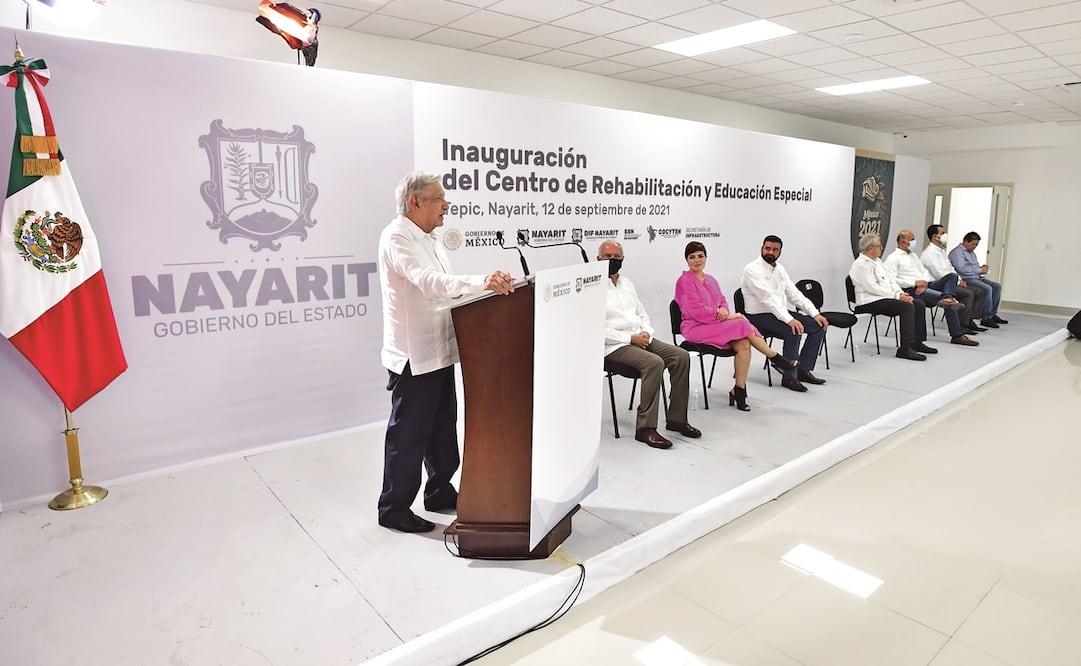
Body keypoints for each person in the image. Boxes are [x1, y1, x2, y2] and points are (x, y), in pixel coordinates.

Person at [377, 171, 516, 533]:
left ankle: (439, 491)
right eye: (439, 199)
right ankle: (393, 507)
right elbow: (431, 283)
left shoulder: (433, 238)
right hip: (413, 356)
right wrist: (480, 281)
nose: (446, 205)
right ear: (415, 202)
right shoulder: (397, 238)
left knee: (442, 429)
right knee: (408, 436)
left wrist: (481, 289)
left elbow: (447, 291)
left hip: (441, 350)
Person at [599, 241, 701, 449]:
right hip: (614, 346)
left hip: (640, 338)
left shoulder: (627, 284)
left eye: (617, 257)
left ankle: (676, 419)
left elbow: (642, 313)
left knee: (680, 356)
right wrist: (630, 339)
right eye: (607, 256)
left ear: (623, 260)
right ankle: (645, 429)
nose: (612, 261)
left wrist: (646, 331)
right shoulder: (591, 288)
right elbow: (595, 328)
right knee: (654, 363)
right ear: (598, 259)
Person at [675, 241, 797, 411]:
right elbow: (693, 309)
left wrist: (723, 312)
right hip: (695, 328)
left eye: (700, 256)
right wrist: (719, 314)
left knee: (744, 343)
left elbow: (722, 301)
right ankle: (773, 356)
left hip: (716, 325)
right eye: (692, 257)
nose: (697, 260)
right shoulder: (684, 281)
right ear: (687, 260)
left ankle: (739, 390)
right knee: (741, 322)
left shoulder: (711, 279)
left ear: (706, 258)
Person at [739, 234, 830, 393]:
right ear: (762, 249)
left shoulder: (779, 269)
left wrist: (814, 313)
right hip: (758, 317)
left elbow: (794, 294)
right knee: (793, 329)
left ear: (780, 252)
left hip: (778, 313)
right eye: (767, 248)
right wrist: (789, 320)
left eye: (775, 250)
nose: (770, 252)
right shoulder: (751, 270)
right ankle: (789, 377)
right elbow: (768, 298)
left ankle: (803, 370)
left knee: (818, 326)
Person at [849, 234, 937, 361]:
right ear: (870, 249)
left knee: (919, 304)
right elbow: (872, 288)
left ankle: (917, 342)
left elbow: (890, 281)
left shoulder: (878, 261)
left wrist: (900, 293)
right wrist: (897, 297)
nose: (882, 248)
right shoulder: (861, 265)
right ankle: (905, 349)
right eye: (879, 246)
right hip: (869, 300)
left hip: (883, 297)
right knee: (906, 307)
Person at [884, 229, 978, 347]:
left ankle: (948, 297)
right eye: (912, 240)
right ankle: (957, 334)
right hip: (910, 289)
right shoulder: (893, 258)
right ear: (903, 242)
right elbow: (891, 280)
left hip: (925, 285)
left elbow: (924, 271)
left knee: (952, 277)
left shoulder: (913, 256)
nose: (914, 242)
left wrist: (924, 282)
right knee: (947, 302)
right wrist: (915, 283)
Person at [921, 224, 986, 335]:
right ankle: (962, 325)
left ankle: (969, 320)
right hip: (936, 284)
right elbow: (938, 273)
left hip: (949, 282)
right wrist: (955, 281)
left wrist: (960, 280)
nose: (945, 235)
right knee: (968, 293)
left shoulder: (941, 251)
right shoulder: (929, 253)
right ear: (934, 236)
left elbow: (951, 268)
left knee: (979, 291)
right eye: (942, 233)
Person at [949, 231, 1007, 328]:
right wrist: (980, 269)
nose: (974, 247)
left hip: (977, 277)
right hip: (966, 279)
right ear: (965, 241)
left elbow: (972, 267)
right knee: (987, 288)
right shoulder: (957, 253)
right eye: (973, 244)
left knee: (997, 287)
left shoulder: (972, 253)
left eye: (976, 245)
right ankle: (986, 317)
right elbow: (961, 269)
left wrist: (981, 269)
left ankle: (992, 314)